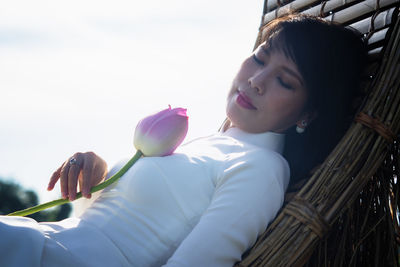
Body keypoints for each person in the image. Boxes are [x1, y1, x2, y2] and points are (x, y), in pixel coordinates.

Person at [0, 14, 367, 267]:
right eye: (260, 57)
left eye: (286, 81)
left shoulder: (262, 168)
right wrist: (95, 177)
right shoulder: (211, 146)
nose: (257, 79)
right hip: (44, 243)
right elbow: (109, 222)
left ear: (309, 114)